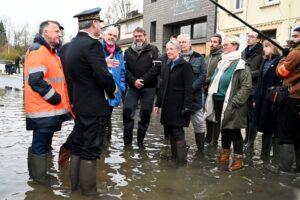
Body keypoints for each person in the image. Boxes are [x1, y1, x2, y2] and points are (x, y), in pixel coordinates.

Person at [66, 8, 117, 195]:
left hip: (79, 104)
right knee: (91, 149)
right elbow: (103, 76)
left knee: (78, 146)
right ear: (94, 24)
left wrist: (102, 63)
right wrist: (113, 91)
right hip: (94, 106)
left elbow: (82, 70)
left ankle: (75, 190)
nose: (100, 27)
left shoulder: (72, 44)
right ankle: (90, 194)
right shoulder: (92, 44)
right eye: (99, 24)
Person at [24, 20, 71, 184]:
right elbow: (35, 80)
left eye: (60, 31)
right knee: (40, 142)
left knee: (41, 142)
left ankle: (36, 176)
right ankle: (39, 179)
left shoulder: (51, 52)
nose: (60, 34)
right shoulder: (38, 51)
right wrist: (55, 97)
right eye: (56, 31)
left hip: (47, 109)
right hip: (43, 109)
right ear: (45, 33)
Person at [205, 35, 252, 171]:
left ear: (235, 46)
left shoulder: (241, 64)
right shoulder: (223, 62)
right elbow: (214, 78)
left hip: (232, 104)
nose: (224, 46)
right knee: (224, 129)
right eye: (223, 44)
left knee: (234, 130)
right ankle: (224, 155)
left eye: (227, 44)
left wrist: (235, 102)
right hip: (219, 101)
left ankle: (238, 160)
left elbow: (246, 86)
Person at [153, 40, 194, 164]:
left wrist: (187, 106)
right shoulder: (167, 65)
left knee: (177, 131)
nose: (168, 51)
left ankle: (182, 162)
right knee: (170, 130)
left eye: (171, 49)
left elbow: (189, 88)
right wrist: (157, 103)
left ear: (178, 50)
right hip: (167, 105)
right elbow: (162, 87)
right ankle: (174, 158)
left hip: (179, 105)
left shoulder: (185, 66)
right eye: (167, 49)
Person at [123, 27, 160, 148]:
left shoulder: (153, 50)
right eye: (136, 36)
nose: (138, 38)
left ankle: (140, 142)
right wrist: (134, 81)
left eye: (140, 36)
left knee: (145, 114)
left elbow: (156, 69)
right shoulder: (128, 51)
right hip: (133, 87)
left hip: (148, 87)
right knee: (127, 112)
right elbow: (125, 70)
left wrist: (142, 80)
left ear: (145, 36)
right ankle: (127, 144)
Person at [276, 27, 300, 173]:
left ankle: (284, 171)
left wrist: (283, 58)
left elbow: (281, 72)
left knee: (286, 135)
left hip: (292, 98)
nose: (293, 39)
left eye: (296, 36)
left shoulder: (296, 53)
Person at [177, 34, 207, 153]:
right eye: (179, 42)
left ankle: (201, 150)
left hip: (195, 96)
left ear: (189, 44)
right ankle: (181, 148)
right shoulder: (174, 57)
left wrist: (189, 89)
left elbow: (203, 76)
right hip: (178, 96)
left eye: (184, 42)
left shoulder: (199, 57)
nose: (181, 44)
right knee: (179, 123)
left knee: (199, 123)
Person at [254, 40, 282, 160]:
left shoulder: (279, 61)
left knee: (274, 127)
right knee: (265, 126)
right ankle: (264, 155)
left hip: (274, 100)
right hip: (262, 98)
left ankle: (276, 156)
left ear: (273, 47)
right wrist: (255, 98)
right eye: (264, 46)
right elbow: (260, 81)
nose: (264, 49)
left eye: (266, 46)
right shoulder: (265, 61)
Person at [101, 26, 126, 145]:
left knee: (107, 117)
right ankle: (99, 145)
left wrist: (121, 87)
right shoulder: (97, 49)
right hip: (99, 92)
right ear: (104, 35)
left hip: (113, 91)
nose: (112, 37)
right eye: (110, 34)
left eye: (115, 35)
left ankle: (105, 145)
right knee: (99, 118)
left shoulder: (119, 53)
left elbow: (122, 72)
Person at [242, 31, 263, 156]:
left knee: (252, 116)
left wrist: (248, 74)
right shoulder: (244, 51)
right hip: (244, 87)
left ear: (258, 40)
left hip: (254, 87)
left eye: (252, 37)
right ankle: (246, 139)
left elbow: (261, 71)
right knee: (246, 115)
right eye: (248, 36)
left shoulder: (261, 52)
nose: (249, 38)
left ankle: (250, 141)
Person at [204, 34, 223, 146]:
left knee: (215, 115)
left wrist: (206, 82)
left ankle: (215, 139)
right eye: (211, 41)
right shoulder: (207, 57)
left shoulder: (221, 57)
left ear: (219, 43)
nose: (212, 44)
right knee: (207, 113)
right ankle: (208, 136)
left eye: (215, 42)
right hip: (205, 90)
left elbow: (218, 74)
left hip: (215, 89)